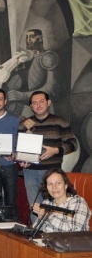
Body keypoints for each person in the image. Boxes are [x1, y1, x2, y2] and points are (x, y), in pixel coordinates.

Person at [18, 91, 77, 223]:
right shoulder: (24, 124)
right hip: (30, 172)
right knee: (35, 206)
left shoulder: (60, 122)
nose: (38, 105)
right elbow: (19, 147)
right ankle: (38, 237)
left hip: (52, 173)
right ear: (31, 106)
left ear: (48, 102)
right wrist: (22, 160)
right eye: (34, 103)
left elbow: (73, 144)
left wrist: (56, 150)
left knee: (54, 206)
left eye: (41, 101)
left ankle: (53, 236)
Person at [5, 29, 60, 118]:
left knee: (35, 129)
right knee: (24, 128)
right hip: (27, 106)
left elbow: (51, 87)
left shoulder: (48, 58)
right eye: (26, 38)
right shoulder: (28, 59)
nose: (28, 41)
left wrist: (23, 95)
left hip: (42, 106)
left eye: (31, 37)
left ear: (40, 38)